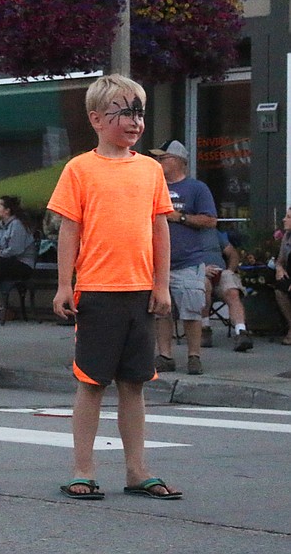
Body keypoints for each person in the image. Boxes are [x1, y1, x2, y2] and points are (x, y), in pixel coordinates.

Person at [49, 74, 181, 501]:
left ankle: (137, 469)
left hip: (140, 290)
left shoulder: (149, 170)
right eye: (125, 112)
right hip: (97, 291)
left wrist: (162, 285)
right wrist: (63, 285)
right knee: (92, 383)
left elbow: (159, 229)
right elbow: (69, 230)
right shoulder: (79, 169)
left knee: (135, 383)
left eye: (139, 112)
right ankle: (82, 469)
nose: (135, 121)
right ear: (96, 119)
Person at [149, 140, 217, 375]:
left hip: (188, 261)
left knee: (191, 310)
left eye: (163, 158)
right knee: (161, 312)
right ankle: (165, 355)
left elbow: (210, 220)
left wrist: (180, 218)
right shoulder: (154, 187)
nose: (159, 162)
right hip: (158, 262)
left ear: (177, 160)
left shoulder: (197, 188)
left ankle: (194, 356)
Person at [202, 230, 253, 352]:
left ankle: (241, 332)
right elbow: (178, 260)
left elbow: (232, 253)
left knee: (232, 291)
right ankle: (204, 329)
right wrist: (201, 269)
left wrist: (229, 270)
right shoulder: (183, 235)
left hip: (220, 273)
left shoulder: (213, 233)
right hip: (197, 273)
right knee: (203, 285)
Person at [270, 207, 291, 345]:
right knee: (279, 288)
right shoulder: (286, 237)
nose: (284, 219)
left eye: (288, 217)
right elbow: (279, 261)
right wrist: (279, 268)